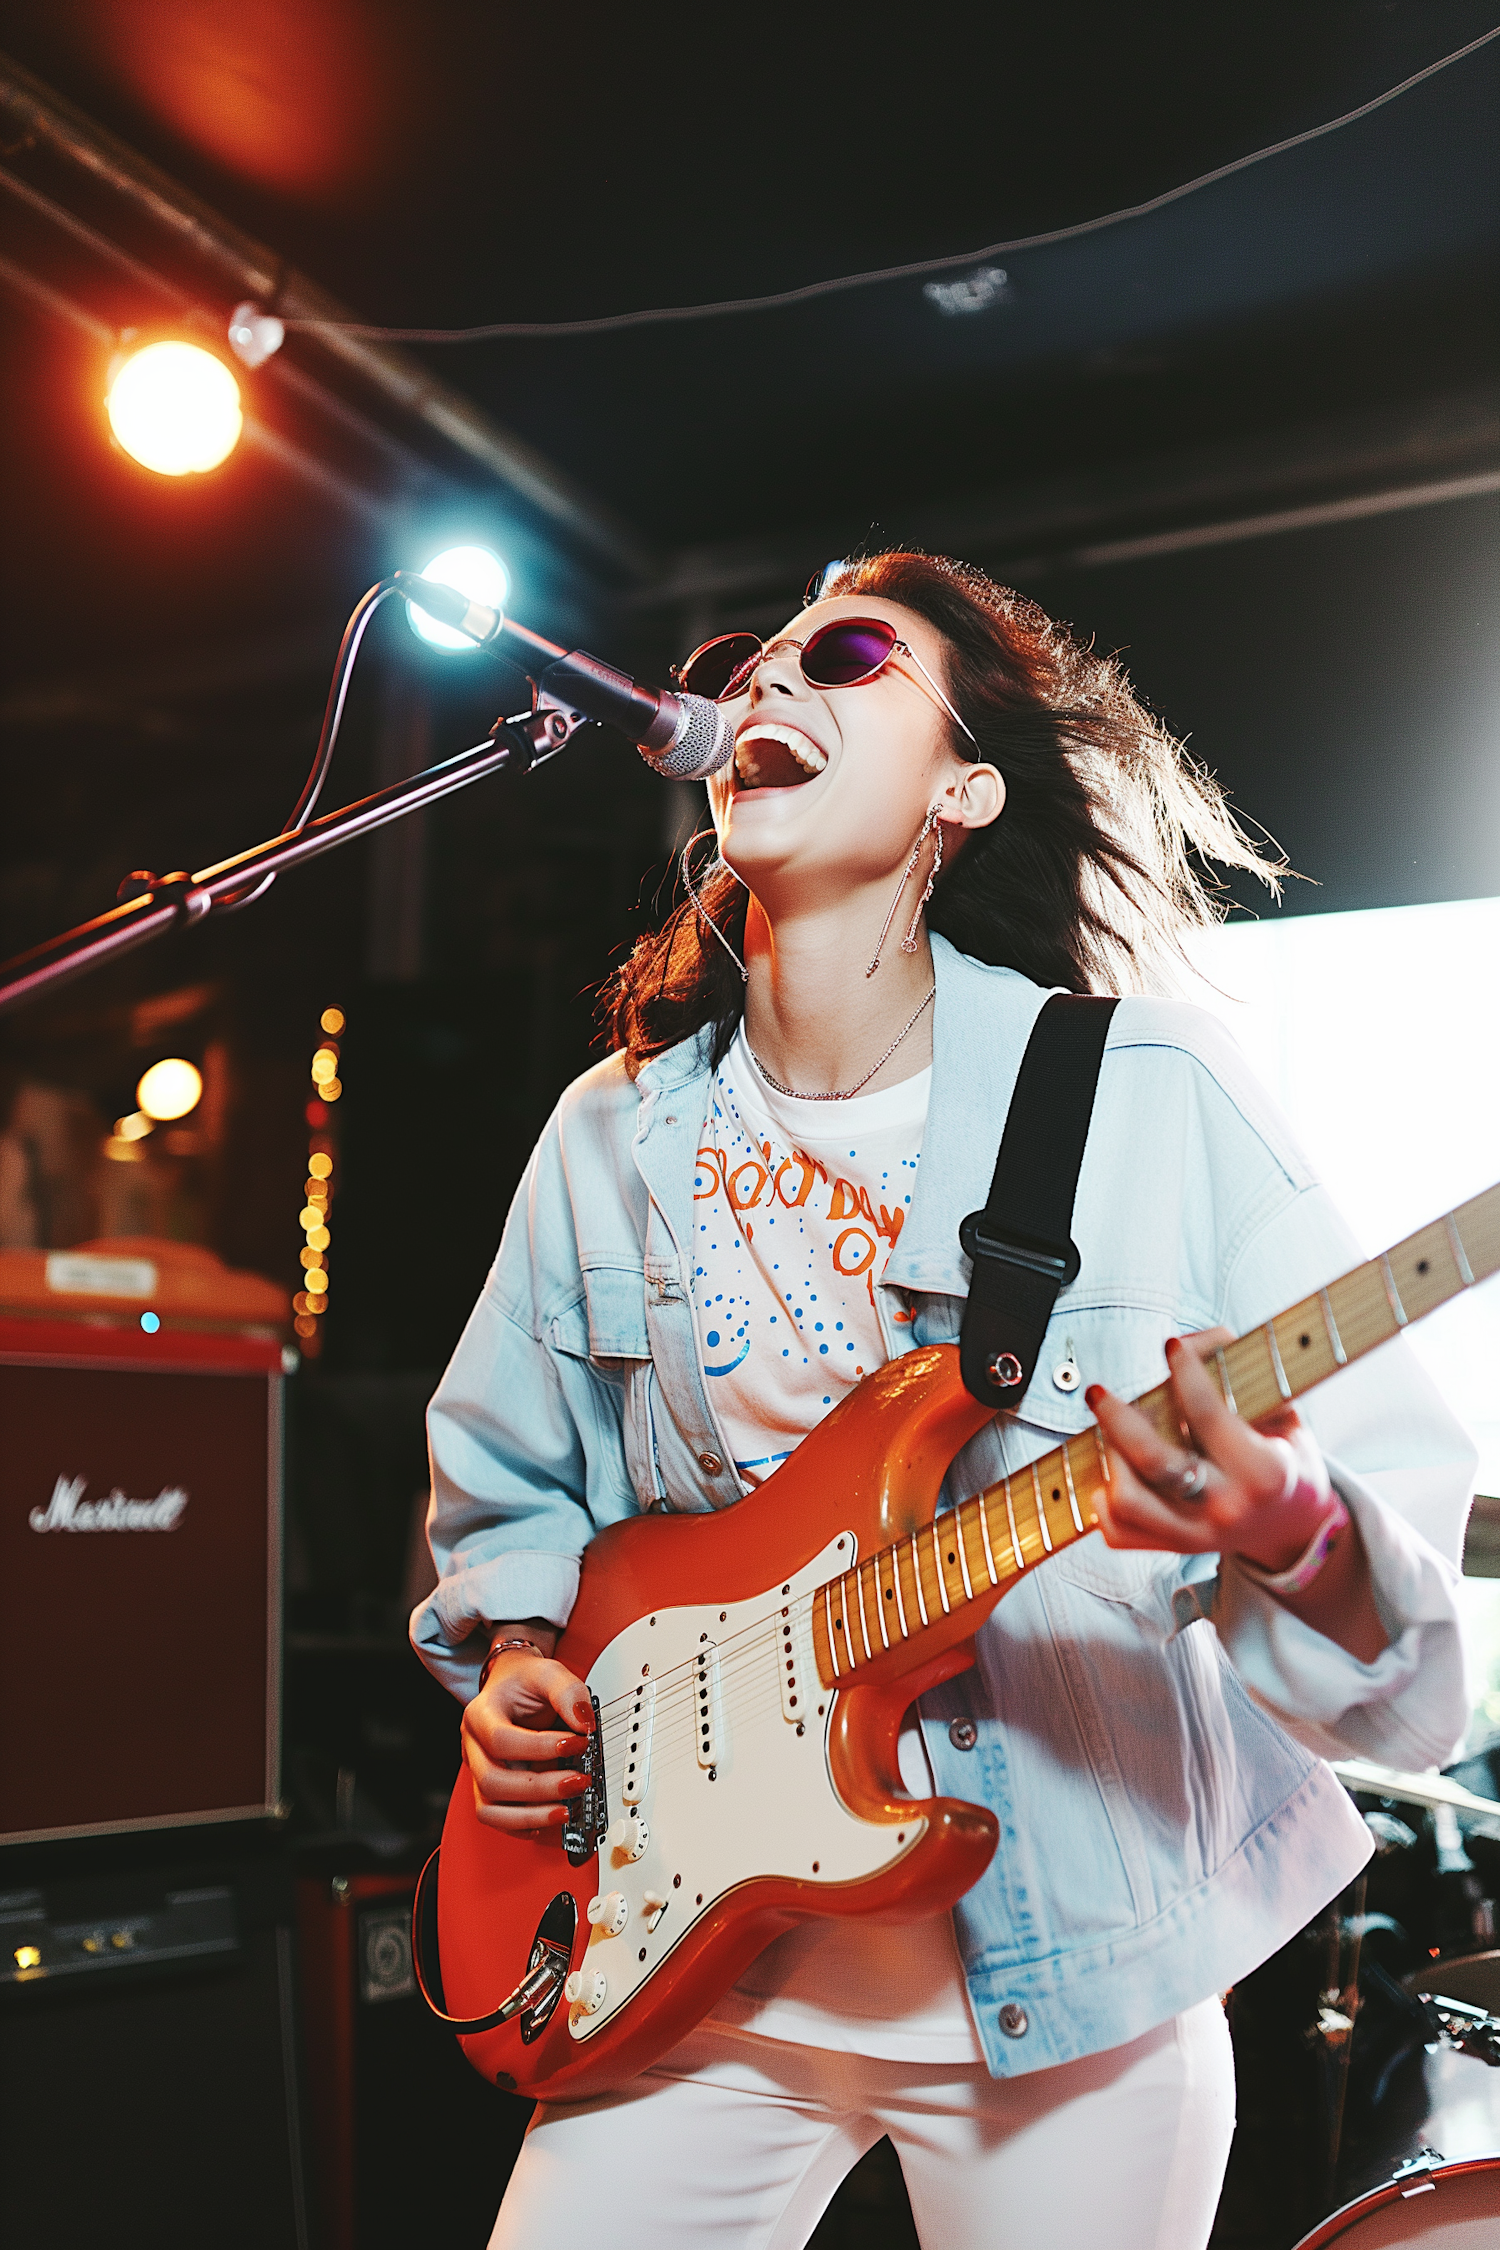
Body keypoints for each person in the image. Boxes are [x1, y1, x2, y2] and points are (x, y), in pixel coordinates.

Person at [411, 552, 1474, 2250]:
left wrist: (1294, 1527)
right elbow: (506, 1480)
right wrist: (523, 1658)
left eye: (843, 658)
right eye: (743, 661)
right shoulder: (607, 1134)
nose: (766, 681)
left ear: (963, 788)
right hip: (689, 1961)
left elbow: (1407, 1631)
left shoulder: (1141, 1092)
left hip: (1068, 1995)